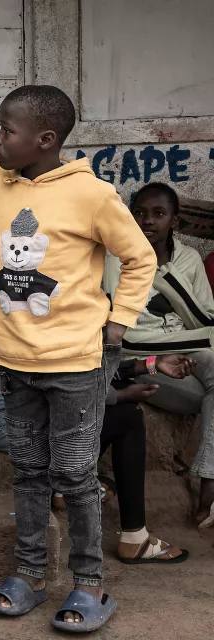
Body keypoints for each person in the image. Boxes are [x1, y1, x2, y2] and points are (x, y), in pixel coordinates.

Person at [0, 85, 156, 632]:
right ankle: (29, 573)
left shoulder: (91, 195)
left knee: (74, 473)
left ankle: (90, 583)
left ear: (44, 140)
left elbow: (139, 257)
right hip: (14, 362)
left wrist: (119, 320)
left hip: (75, 363)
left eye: (6, 131)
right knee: (28, 471)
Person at [0, 355, 193, 563]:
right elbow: (69, 385)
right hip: (6, 420)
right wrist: (119, 396)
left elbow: (89, 368)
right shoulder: (58, 320)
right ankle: (134, 539)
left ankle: (64, 486)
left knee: (114, 403)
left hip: (10, 409)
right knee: (127, 417)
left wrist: (151, 364)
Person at [103, 183, 214, 529]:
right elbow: (126, 333)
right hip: (144, 356)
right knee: (204, 395)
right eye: (140, 213)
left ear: (174, 221)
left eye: (158, 214)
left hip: (190, 345)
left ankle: (208, 481)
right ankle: (209, 494)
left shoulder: (188, 259)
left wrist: (166, 273)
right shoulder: (116, 258)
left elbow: (206, 321)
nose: (147, 221)